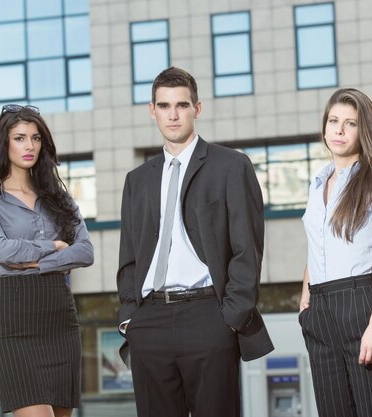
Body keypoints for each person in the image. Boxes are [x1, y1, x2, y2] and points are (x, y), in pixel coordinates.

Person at [116, 66, 274, 417]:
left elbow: (248, 249)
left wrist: (230, 317)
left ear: (197, 109)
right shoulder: (137, 180)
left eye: (182, 105)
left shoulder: (231, 166)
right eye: (164, 105)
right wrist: (130, 318)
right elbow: (129, 256)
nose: (173, 114)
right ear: (152, 110)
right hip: (150, 320)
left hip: (208, 317)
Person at [0, 104, 94, 417]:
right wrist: (54, 247)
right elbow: (4, 252)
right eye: (20, 138)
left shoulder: (59, 198)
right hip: (13, 320)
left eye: (35, 138)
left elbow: (86, 252)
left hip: (59, 316)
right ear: (3, 143)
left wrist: (37, 262)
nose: (29, 146)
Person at [299, 88, 372, 417]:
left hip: (361, 304)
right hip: (320, 310)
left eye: (350, 123)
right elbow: (315, 245)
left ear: (365, 131)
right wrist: (305, 302)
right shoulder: (317, 184)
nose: (339, 130)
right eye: (333, 121)